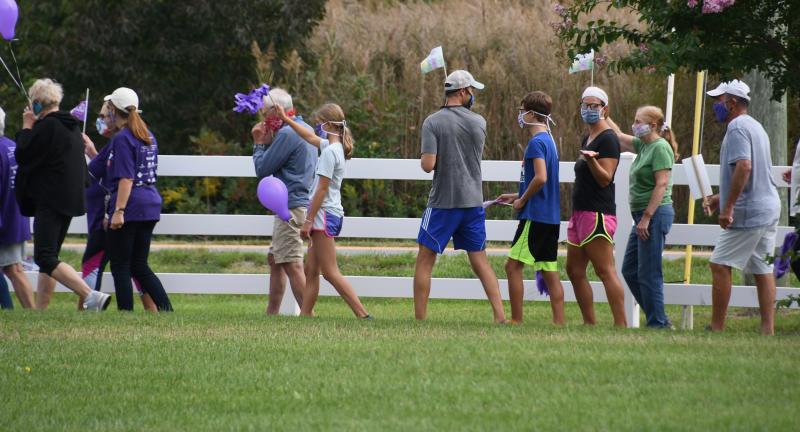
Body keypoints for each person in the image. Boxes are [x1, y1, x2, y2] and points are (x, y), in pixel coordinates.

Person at [414, 70, 507, 323]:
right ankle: (500, 316)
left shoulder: (432, 122)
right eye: (472, 91)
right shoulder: (479, 122)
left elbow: (427, 165)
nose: (473, 95)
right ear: (463, 92)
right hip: (473, 202)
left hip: (443, 202)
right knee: (480, 261)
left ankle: (420, 319)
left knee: (424, 260)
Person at [14, 78, 111, 311]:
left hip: (51, 199)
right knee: (51, 256)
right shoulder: (71, 126)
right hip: (69, 199)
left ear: (37, 104)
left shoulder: (47, 126)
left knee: (45, 257)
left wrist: (27, 125)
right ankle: (41, 309)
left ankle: (90, 295)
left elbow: (24, 154)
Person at [276, 103, 372, 319]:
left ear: (329, 125)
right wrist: (287, 119)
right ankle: (306, 315)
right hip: (325, 214)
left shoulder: (330, 153)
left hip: (323, 216)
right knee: (311, 270)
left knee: (329, 272)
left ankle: (363, 314)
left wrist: (308, 220)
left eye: (319, 124)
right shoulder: (331, 148)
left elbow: (321, 190)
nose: (316, 127)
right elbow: (308, 138)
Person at [704, 80, 780, 335]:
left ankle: (717, 327)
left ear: (732, 103)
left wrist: (728, 208)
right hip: (768, 206)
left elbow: (744, 166)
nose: (716, 106)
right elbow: (752, 169)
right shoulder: (755, 126)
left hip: (749, 210)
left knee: (719, 264)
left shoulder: (736, 127)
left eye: (718, 101)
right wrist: (719, 197)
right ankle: (767, 330)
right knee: (762, 268)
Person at [87, 87, 172, 311]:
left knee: (120, 265)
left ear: (114, 111)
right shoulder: (146, 134)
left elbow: (126, 178)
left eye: (108, 111)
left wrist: (118, 211)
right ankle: (166, 309)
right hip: (150, 204)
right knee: (139, 265)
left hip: (130, 206)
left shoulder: (123, 139)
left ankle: (126, 312)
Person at [497, 91, 564, 325]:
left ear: (532, 114)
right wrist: (515, 194)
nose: (520, 114)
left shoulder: (536, 143)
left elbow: (541, 178)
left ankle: (515, 320)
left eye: (522, 110)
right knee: (549, 271)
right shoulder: (550, 141)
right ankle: (559, 323)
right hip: (550, 218)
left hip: (535, 217)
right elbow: (542, 182)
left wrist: (522, 200)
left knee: (512, 267)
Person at [607, 106, 678, 328]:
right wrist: (605, 114)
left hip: (654, 215)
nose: (634, 125)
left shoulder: (660, 148)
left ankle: (657, 322)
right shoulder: (644, 145)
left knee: (649, 272)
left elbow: (662, 184)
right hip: (642, 217)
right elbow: (618, 137)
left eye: (639, 121)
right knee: (629, 269)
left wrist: (647, 217)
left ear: (653, 125)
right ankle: (658, 318)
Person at [565, 86, 627, 327]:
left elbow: (605, 178)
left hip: (597, 213)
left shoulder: (609, 139)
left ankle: (620, 324)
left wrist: (591, 161)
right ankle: (589, 323)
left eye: (594, 106)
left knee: (604, 270)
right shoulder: (587, 137)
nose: (589, 110)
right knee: (574, 270)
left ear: (604, 109)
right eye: (585, 105)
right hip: (580, 212)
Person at [252, 88, 318, 315]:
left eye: (264, 113)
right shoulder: (304, 128)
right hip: (298, 203)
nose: (262, 118)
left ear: (275, 111)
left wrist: (259, 143)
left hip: (289, 206)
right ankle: (272, 313)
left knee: (291, 262)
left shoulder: (288, 134)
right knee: (276, 259)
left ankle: (308, 314)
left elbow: (262, 169)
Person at [0, 107, 35, 309]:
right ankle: (28, 312)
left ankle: (10, 309)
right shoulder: (12, 147)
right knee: (14, 269)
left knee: (13, 270)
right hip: (17, 216)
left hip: (4, 219)